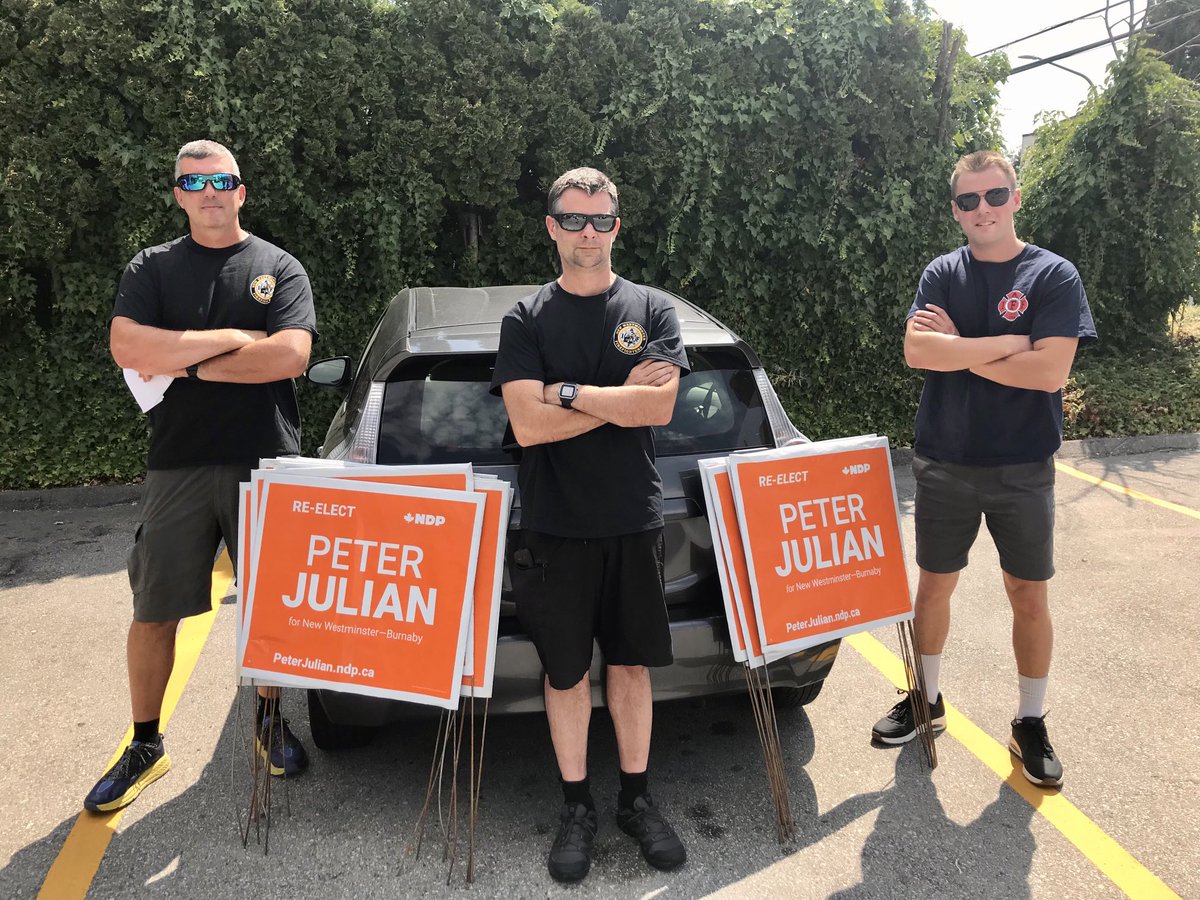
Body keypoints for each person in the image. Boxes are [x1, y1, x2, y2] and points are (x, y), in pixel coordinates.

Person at [84, 140, 317, 813]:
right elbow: (128, 345)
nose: (209, 191)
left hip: (264, 460)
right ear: (178, 195)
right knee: (154, 610)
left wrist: (180, 360)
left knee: (270, 608)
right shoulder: (151, 267)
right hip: (177, 463)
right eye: (194, 182)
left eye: (221, 180)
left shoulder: (278, 266)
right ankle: (145, 744)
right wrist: (237, 341)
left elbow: (290, 356)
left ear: (241, 191)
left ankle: (269, 721)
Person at [871, 150, 1097, 787]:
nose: (983, 209)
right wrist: (1007, 345)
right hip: (944, 460)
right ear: (956, 210)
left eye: (995, 195)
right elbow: (918, 351)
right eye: (968, 201)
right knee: (933, 588)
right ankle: (925, 699)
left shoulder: (1053, 274)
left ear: (1015, 198)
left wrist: (959, 349)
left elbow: (1050, 372)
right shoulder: (943, 273)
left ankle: (1030, 719)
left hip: (1023, 466)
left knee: (1028, 595)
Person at [490, 167, 690, 882]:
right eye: (574, 219)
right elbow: (527, 426)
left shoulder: (652, 309)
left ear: (616, 226)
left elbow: (657, 408)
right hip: (555, 525)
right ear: (552, 227)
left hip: (633, 519)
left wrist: (569, 392)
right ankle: (577, 806)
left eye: (601, 219)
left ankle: (636, 799)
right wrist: (613, 400)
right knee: (567, 672)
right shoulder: (525, 319)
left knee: (631, 667)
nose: (588, 232)